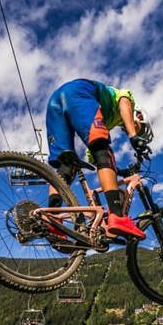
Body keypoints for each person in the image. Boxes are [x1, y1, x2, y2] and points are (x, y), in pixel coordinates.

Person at [44, 79, 152, 240]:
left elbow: (92, 155)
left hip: (55, 101)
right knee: (104, 151)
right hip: (78, 93)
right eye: (140, 128)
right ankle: (118, 216)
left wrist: (120, 171)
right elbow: (124, 103)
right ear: (138, 116)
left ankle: (52, 219)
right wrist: (133, 136)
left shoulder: (106, 119)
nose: (134, 129)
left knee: (66, 165)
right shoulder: (125, 98)